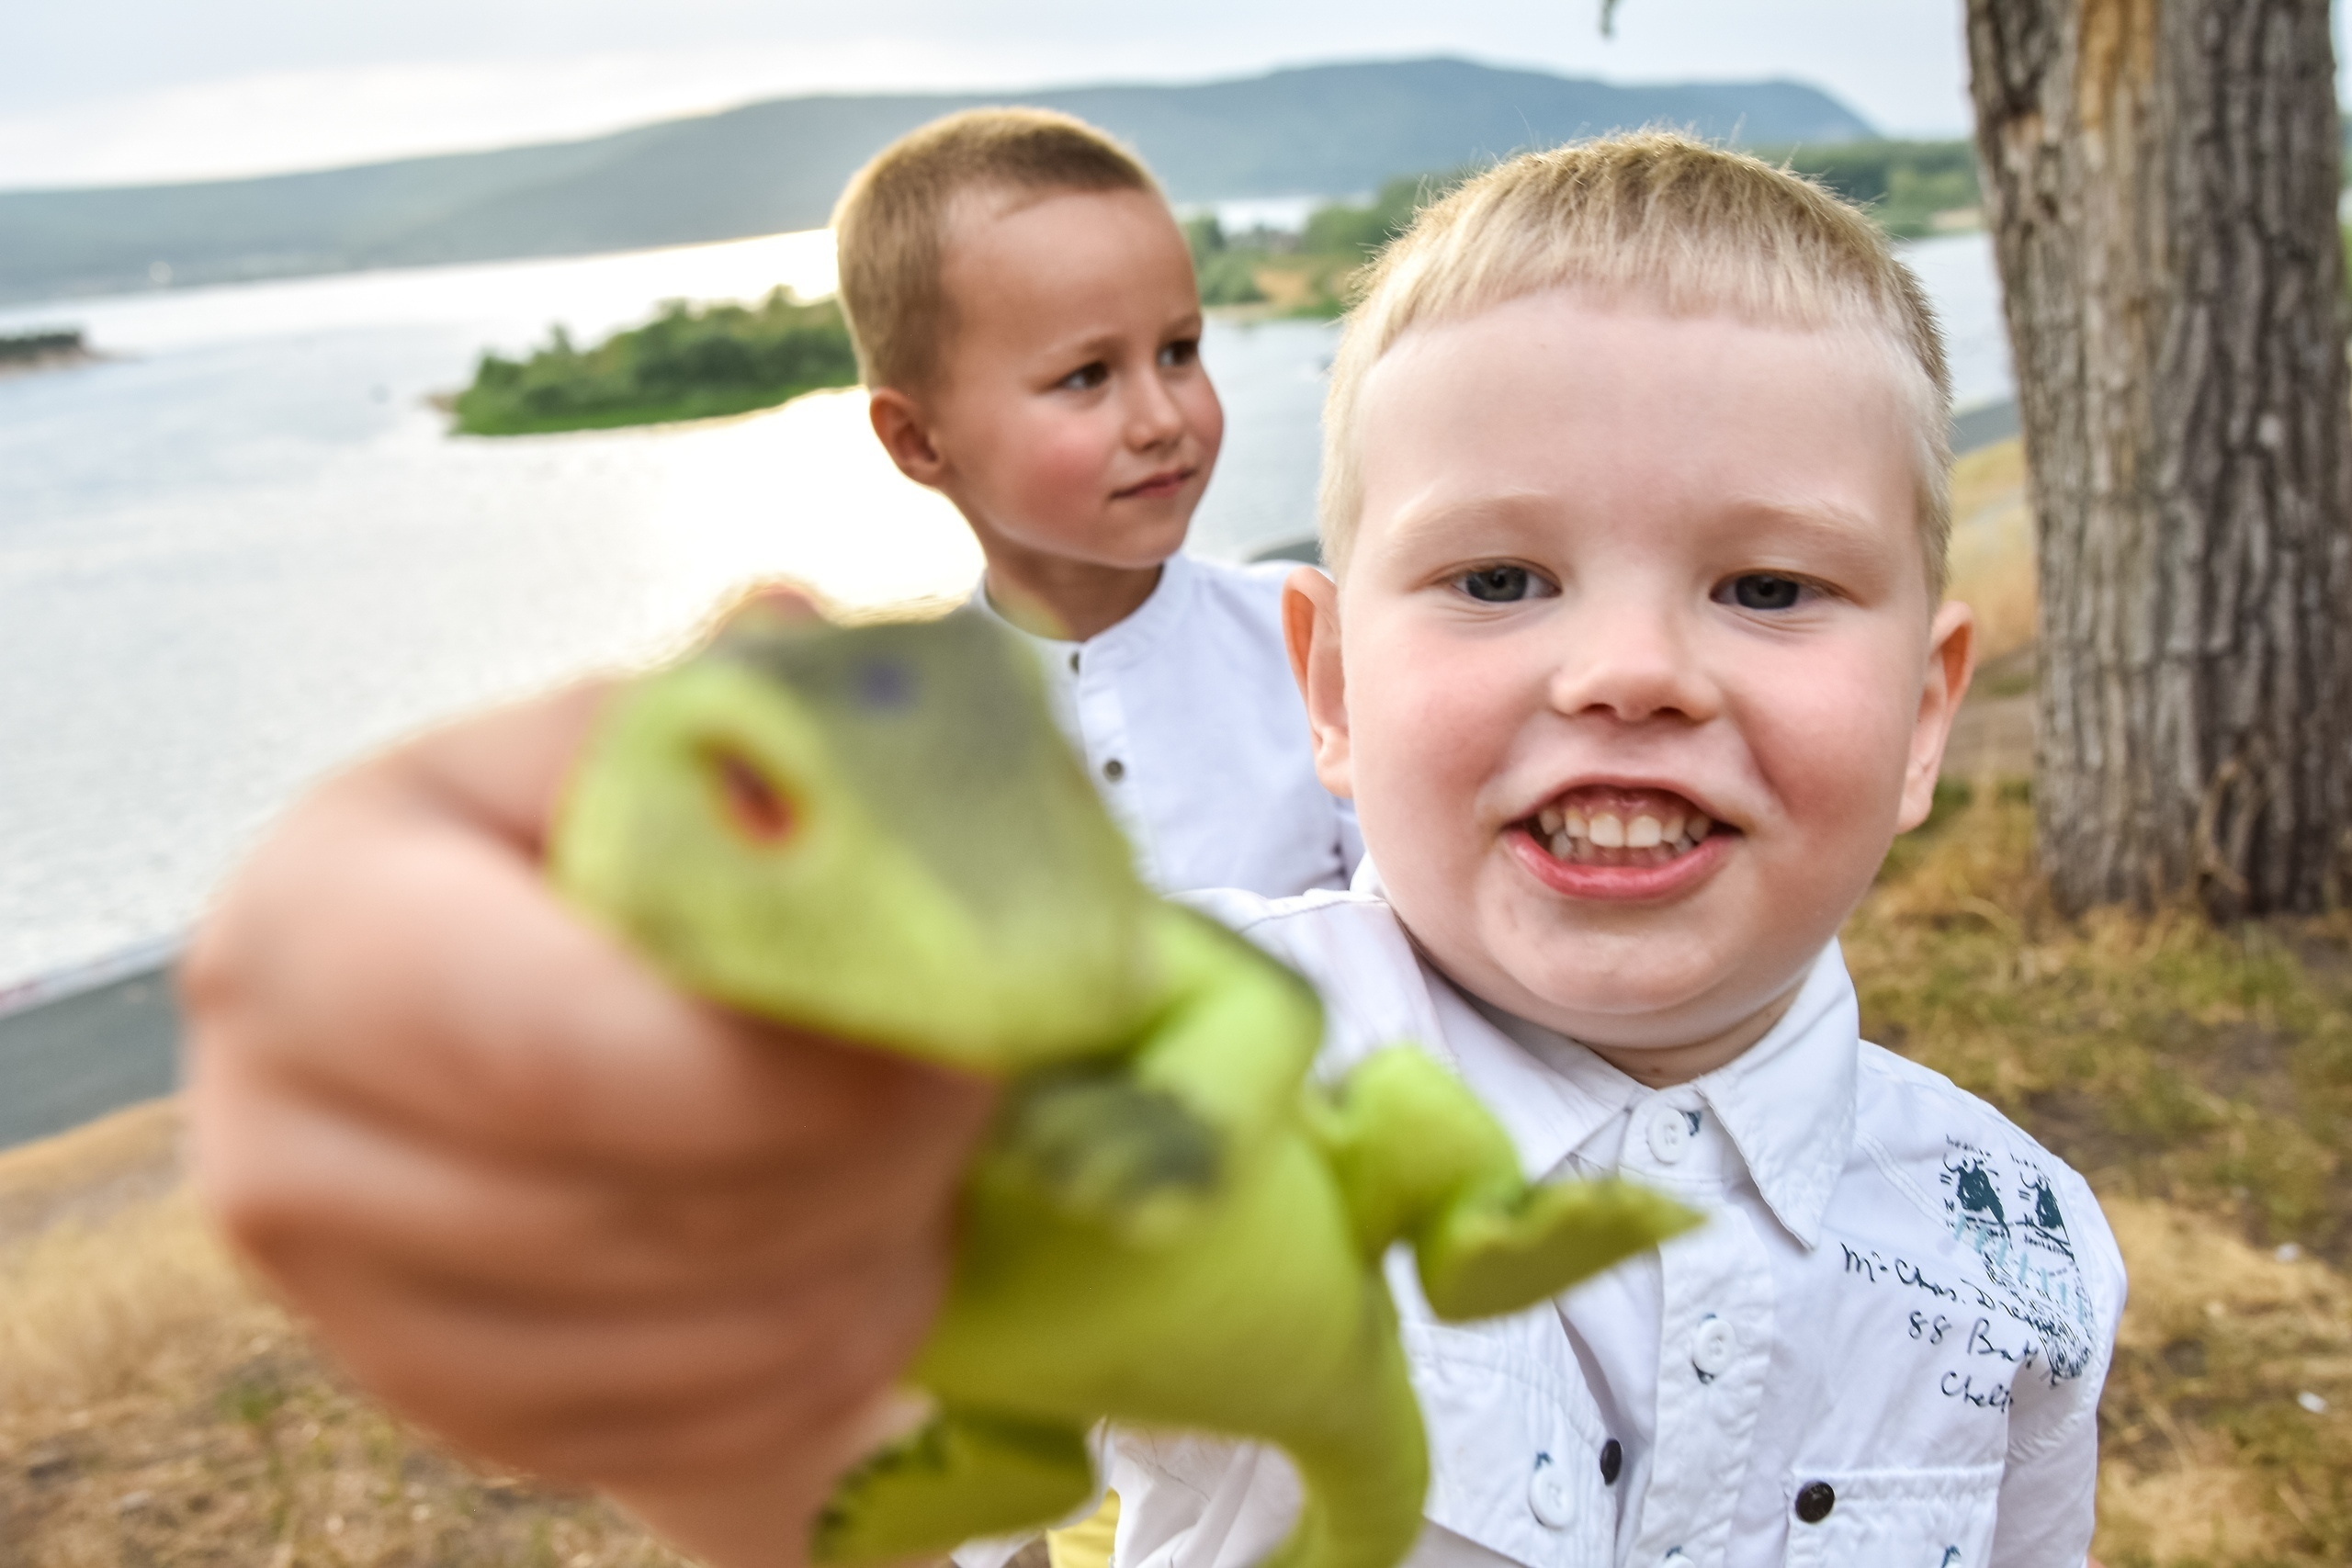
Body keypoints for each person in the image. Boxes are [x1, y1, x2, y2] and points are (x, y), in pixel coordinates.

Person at [184, 131, 2123, 1568]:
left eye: (1767, 584)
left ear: (1926, 711)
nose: (1626, 669)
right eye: (1499, 574)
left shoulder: (2017, 1244)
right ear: (1333, 686)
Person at [834, 107, 1358, 898]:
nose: (1162, 418)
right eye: (1087, 375)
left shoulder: (1317, 654)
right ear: (917, 439)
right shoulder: (887, 743)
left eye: (1179, 352)